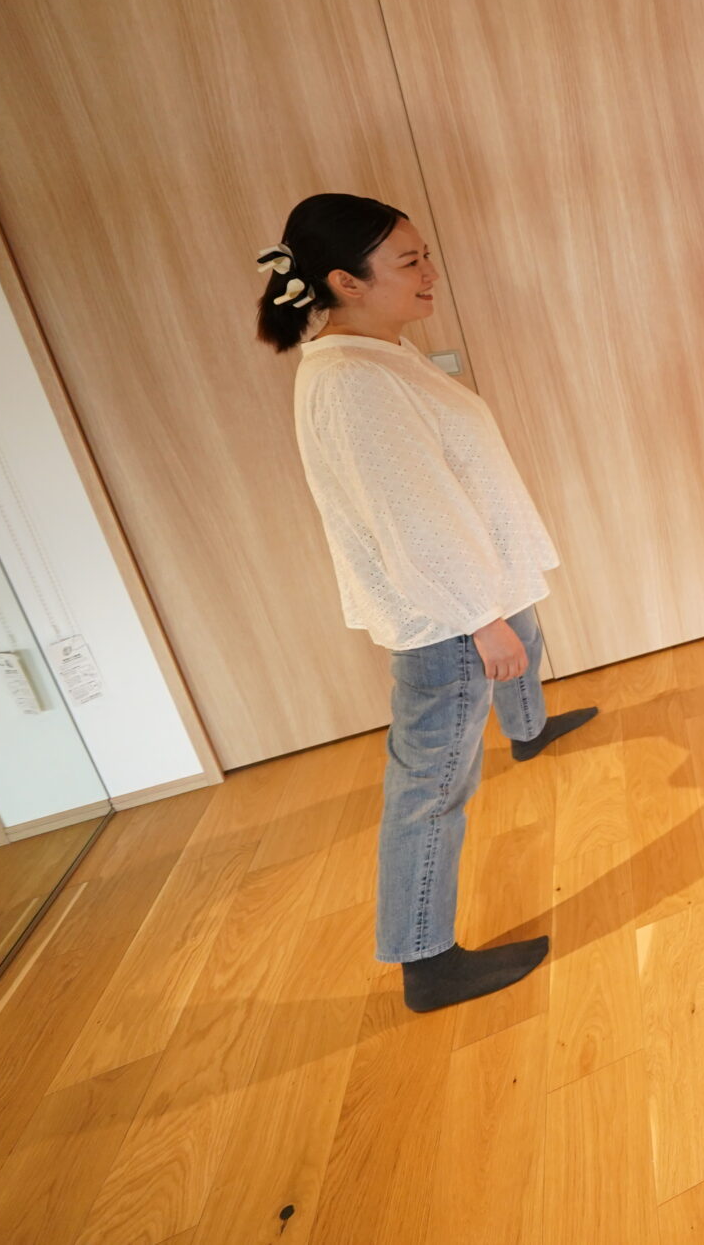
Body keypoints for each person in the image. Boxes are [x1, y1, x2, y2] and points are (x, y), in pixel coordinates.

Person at [259, 193, 594, 1014]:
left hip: (476, 581)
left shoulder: (379, 350)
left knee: (526, 639)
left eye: (425, 254)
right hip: (449, 616)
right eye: (409, 262)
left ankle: (527, 727)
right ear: (346, 280)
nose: (430, 272)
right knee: (431, 785)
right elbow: (412, 519)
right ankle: (427, 959)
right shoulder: (353, 383)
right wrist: (479, 617)